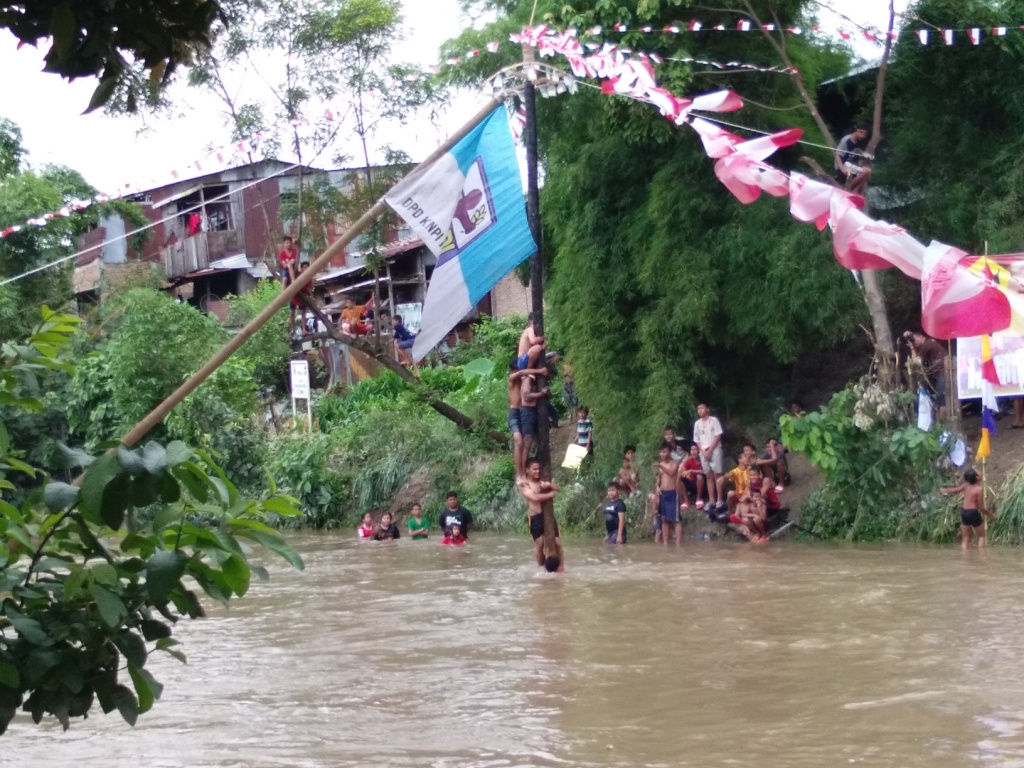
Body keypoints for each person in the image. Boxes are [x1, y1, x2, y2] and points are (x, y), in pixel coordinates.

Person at [520, 458, 564, 571]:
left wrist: (549, 484)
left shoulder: (542, 481)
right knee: (540, 544)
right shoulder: (524, 485)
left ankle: (561, 566)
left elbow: (558, 489)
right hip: (535, 517)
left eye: (538, 469)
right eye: (534, 469)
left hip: (547, 515)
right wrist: (550, 495)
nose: (537, 471)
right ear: (527, 470)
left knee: (558, 543)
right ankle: (542, 568)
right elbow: (534, 498)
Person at [509, 361, 548, 481]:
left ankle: (523, 471)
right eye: (516, 371)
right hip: (514, 413)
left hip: (521, 413)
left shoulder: (523, 380)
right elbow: (522, 372)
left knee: (526, 443)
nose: (518, 373)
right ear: (512, 371)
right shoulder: (511, 378)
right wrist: (540, 371)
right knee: (519, 441)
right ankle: (519, 473)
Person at [941, 469, 997, 550]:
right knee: (981, 536)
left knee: (966, 538)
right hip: (973, 512)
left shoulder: (966, 485)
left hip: (964, 512)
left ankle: (965, 558)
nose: (979, 473)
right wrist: (991, 515)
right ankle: (982, 557)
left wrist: (945, 490)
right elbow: (981, 508)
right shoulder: (979, 489)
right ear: (977, 478)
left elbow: (955, 490)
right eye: (977, 473)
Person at [908, 330, 948, 421]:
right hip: (937, 372)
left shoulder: (927, 345)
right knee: (937, 396)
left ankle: (942, 421)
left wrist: (912, 348)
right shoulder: (928, 344)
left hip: (941, 372)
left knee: (941, 398)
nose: (914, 342)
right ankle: (939, 419)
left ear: (921, 337)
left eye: (914, 340)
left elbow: (917, 361)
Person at [519, 369, 551, 481]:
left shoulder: (536, 381)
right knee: (527, 441)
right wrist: (541, 393)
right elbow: (526, 396)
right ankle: (523, 471)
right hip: (527, 412)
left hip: (534, 411)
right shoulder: (529, 379)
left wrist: (546, 393)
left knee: (540, 440)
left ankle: (536, 465)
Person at [693, 403, 724, 509]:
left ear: (707, 409)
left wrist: (710, 450)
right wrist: (702, 451)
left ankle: (719, 500)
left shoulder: (714, 420)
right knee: (708, 476)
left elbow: (718, 436)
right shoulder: (697, 423)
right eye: (698, 409)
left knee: (717, 474)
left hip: (714, 449)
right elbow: (697, 440)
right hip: (703, 451)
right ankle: (712, 501)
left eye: (702, 408)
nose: (700, 410)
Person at [652, 441, 681, 545]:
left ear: (670, 452)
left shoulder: (674, 463)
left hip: (673, 493)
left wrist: (660, 466)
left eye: (664, 452)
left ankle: (678, 544)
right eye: (661, 452)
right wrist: (657, 487)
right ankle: (665, 543)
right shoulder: (661, 465)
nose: (662, 454)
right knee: (664, 518)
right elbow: (659, 479)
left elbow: (672, 473)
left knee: (676, 520)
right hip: (663, 494)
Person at [834, 124, 873, 195]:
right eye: (864, 134)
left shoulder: (857, 141)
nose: (864, 137)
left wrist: (865, 155)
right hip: (843, 166)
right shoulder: (846, 140)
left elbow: (857, 152)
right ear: (859, 131)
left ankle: (856, 190)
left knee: (868, 171)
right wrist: (842, 168)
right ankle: (847, 188)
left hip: (850, 165)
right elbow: (837, 154)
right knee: (866, 171)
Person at [717, 453, 752, 517]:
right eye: (745, 456)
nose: (747, 457)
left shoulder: (751, 469)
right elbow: (729, 474)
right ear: (739, 460)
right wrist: (723, 477)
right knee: (730, 493)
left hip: (750, 493)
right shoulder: (735, 471)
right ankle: (729, 512)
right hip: (740, 494)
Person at [680, 444, 706, 511]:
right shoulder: (689, 461)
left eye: (695, 449)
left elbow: (705, 471)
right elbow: (682, 471)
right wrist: (684, 473)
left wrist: (691, 471)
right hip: (694, 484)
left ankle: (699, 498)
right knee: (679, 478)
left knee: (699, 476)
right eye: (692, 450)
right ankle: (686, 501)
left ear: (699, 451)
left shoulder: (703, 459)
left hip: (705, 484)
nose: (693, 452)